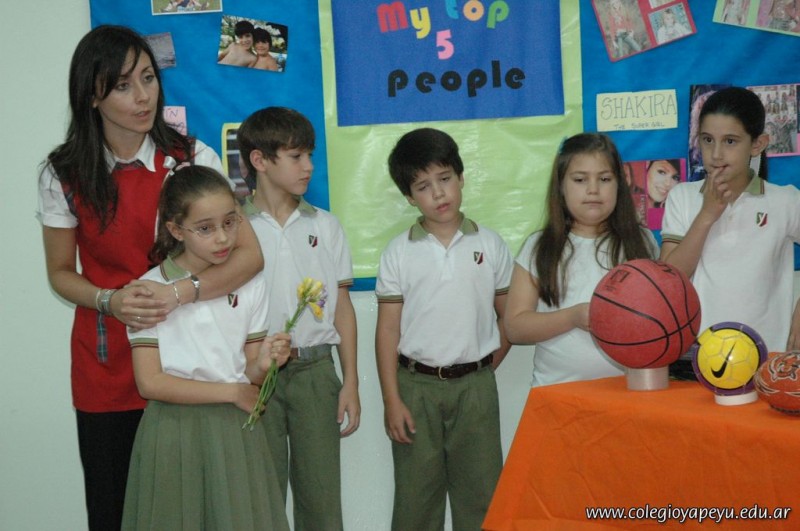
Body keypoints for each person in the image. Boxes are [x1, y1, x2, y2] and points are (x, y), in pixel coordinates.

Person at [36, 25, 263, 530]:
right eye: (122, 85)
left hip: (193, 368)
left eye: (147, 78)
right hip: (108, 369)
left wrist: (180, 292)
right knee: (115, 513)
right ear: (91, 97)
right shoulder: (63, 173)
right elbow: (60, 273)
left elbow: (249, 257)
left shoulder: (191, 157)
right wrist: (110, 300)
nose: (143, 96)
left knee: (204, 514)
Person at [122, 165, 290, 530]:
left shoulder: (249, 282)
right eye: (205, 228)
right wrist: (232, 392)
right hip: (173, 431)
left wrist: (265, 363)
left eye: (230, 223)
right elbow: (150, 383)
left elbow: (250, 371)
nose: (222, 238)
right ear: (175, 230)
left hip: (234, 429)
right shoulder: (149, 290)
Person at [375, 127, 513, 531]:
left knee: (482, 497)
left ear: (461, 177)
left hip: (476, 389)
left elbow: (511, 319)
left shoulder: (490, 244)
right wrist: (391, 399)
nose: (438, 193)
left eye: (445, 178)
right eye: (423, 186)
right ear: (409, 197)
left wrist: (483, 367)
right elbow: (387, 331)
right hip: (415, 389)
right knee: (416, 501)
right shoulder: (399, 252)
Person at [237, 106, 360, 530]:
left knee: (321, 500)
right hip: (256, 374)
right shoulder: (234, 229)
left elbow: (342, 307)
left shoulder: (326, 226)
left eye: (310, 155)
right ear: (259, 160)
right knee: (261, 499)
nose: (308, 166)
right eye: (296, 156)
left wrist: (351, 381)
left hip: (315, 371)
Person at [661, 87, 800, 377]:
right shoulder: (682, 197)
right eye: (707, 140)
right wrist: (707, 215)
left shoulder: (785, 200)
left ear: (757, 144)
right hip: (696, 362)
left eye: (730, 141)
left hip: (766, 362)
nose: (716, 154)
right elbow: (669, 281)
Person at [504, 133, 659, 386]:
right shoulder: (539, 247)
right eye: (580, 179)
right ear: (561, 186)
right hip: (556, 391)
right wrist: (573, 317)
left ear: (619, 185)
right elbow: (515, 327)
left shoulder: (641, 242)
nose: (593, 189)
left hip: (627, 391)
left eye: (605, 179)